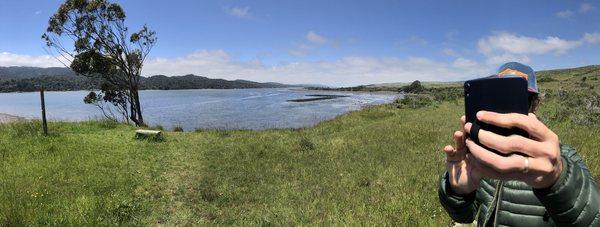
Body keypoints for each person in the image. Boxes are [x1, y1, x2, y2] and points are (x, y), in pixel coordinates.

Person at [438, 62, 600, 226]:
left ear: (535, 105)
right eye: (500, 100)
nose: (508, 112)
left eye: (519, 100)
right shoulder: (479, 154)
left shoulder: (561, 157)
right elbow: (465, 217)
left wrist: (559, 179)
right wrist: (458, 192)